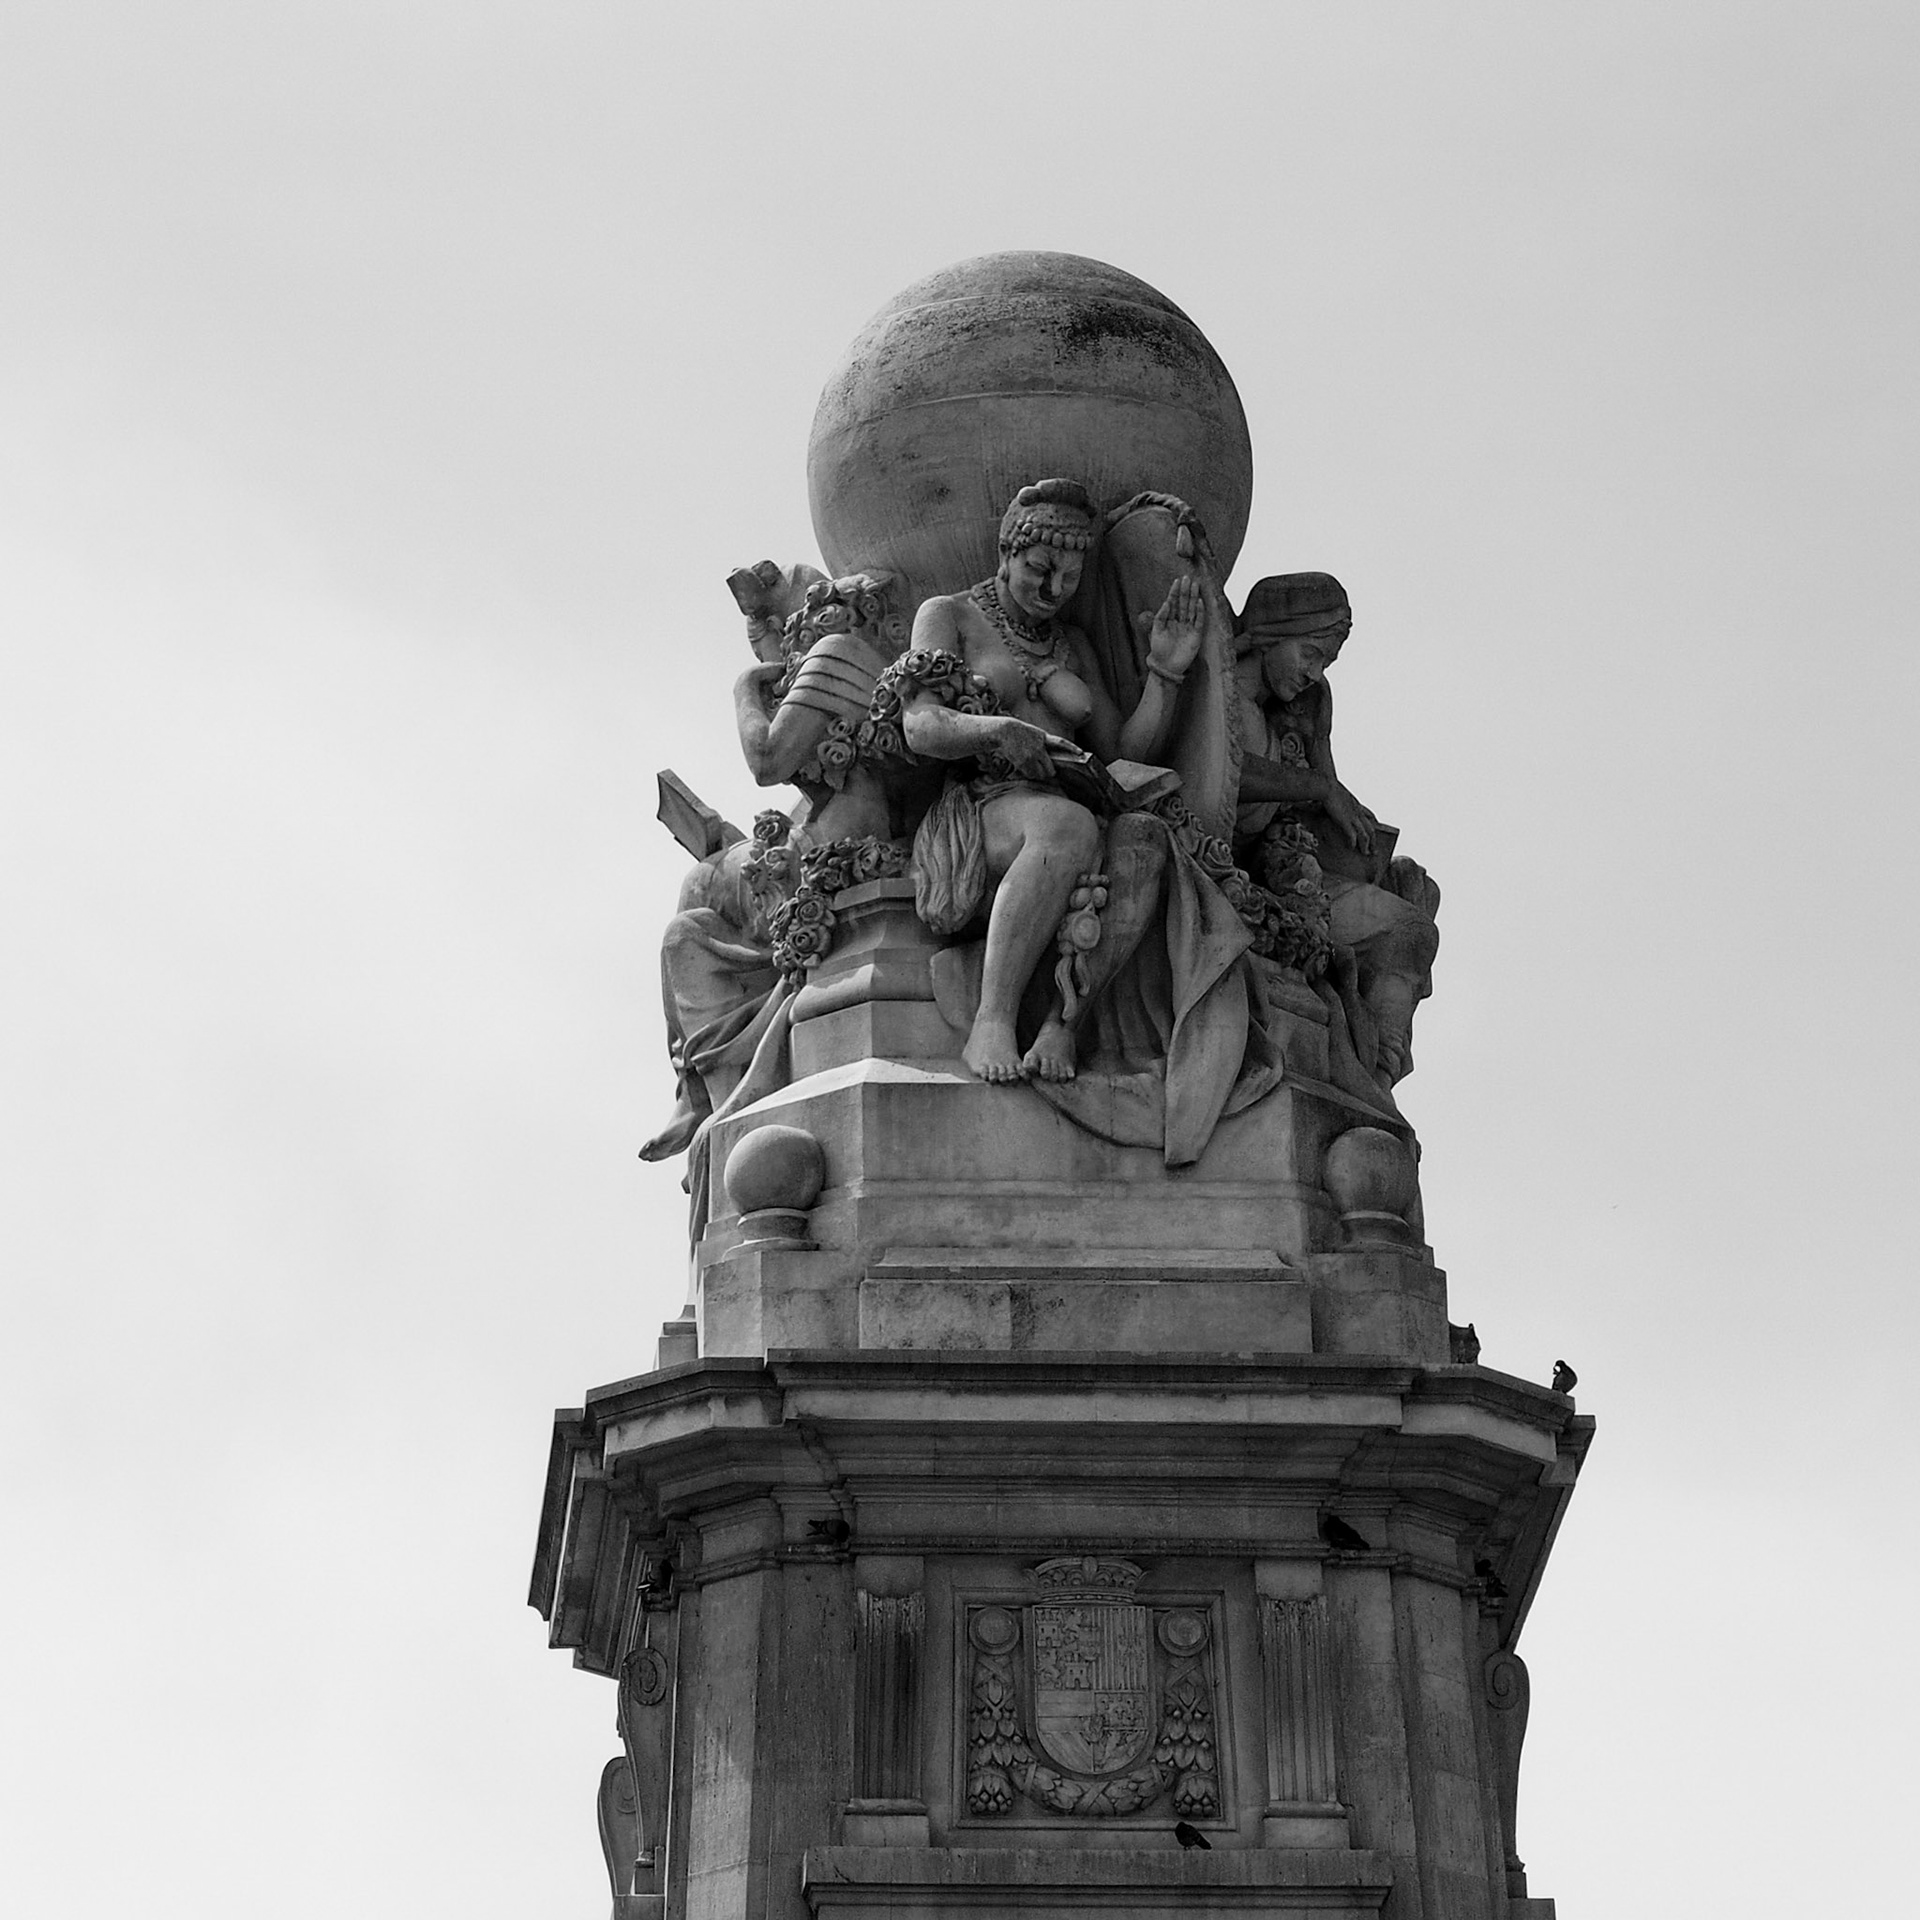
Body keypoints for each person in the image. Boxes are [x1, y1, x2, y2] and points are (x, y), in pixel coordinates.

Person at [897, 481, 1207, 1083]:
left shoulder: (1073, 645)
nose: (1053, 590)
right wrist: (996, 732)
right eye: (1039, 569)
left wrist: (1167, 670)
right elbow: (921, 723)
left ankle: (1063, 1024)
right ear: (1007, 552)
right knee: (1065, 824)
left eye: (1069, 577)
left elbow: (1122, 751)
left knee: (1143, 839)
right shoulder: (950, 615)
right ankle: (993, 1019)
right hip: (983, 808)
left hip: (1068, 809)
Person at [1232, 571, 1439, 1088]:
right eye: (1310, 653)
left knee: (1410, 921)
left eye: (1324, 661)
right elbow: (1223, 772)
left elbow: (1325, 790)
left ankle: (1382, 1058)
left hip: (1288, 871)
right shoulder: (1216, 687)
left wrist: (1355, 830)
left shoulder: (1305, 704)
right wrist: (1321, 790)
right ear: (1271, 633)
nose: (1313, 671)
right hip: (1224, 872)